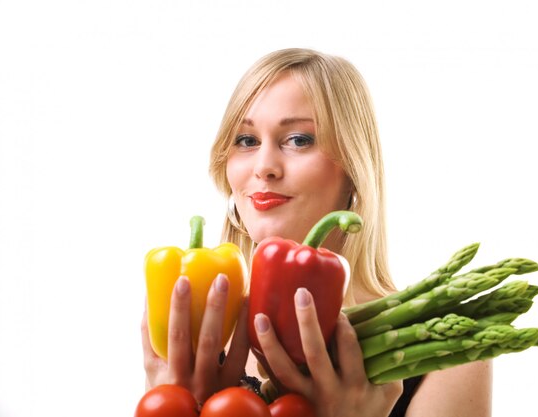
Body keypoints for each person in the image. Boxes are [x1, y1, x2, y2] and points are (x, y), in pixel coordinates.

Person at [141, 48, 492, 417]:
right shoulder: (191, 340)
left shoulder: (448, 350)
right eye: (246, 140)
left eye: (298, 140)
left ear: (353, 169)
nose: (264, 167)